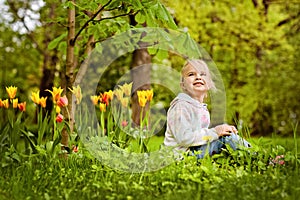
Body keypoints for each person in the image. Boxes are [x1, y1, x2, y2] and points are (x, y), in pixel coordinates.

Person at [163, 59, 251, 159]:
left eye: (203, 74)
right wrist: (215, 132)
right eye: (191, 74)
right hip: (181, 156)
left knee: (224, 136)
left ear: (208, 84)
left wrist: (219, 131)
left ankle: (248, 156)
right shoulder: (181, 106)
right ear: (183, 85)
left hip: (194, 151)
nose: (198, 77)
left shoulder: (201, 108)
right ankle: (258, 159)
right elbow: (184, 138)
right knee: (226, 139)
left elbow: (201, 137)